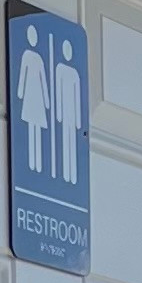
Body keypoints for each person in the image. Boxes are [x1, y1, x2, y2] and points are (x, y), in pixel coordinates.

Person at [15, 23, 52, 175]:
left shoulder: (36, 58)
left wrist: (47, 101)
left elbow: (43, 81)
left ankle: (36, 166)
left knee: (35, 128)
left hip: (35, 98)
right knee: (31, 128)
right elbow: (22, 76)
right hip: (31, 97)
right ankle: (32, 165)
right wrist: (20, 94)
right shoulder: (29, 56)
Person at [53, 33, 83, 186]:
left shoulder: (73, 73)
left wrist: (78, 121)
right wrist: (58, 113)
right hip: (65, 114)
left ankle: (70, 177)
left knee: (71, 143)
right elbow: (58, 90)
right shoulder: (60, 70)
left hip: (70, 114)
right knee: (65, 142)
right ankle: (66, 177)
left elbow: (77, 93)